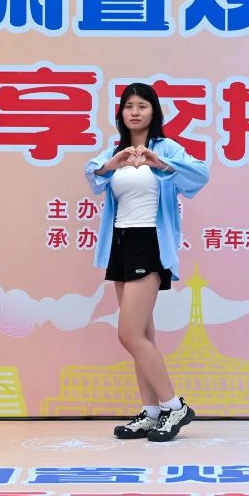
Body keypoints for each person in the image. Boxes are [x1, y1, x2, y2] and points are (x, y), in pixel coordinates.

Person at [85, 83, 209, 442]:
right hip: (120, 243)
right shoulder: (114, 151)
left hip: (149, 242)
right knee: (143, 334)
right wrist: (114, 163)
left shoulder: (167, 148)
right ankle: (151, 412)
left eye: (142, 105)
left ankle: (174, 406)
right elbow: (93, 175)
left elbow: (199, 175)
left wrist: (160, 163)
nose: (135, 112)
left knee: (128, 334)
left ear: (154, 111)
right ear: (121, 113)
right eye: (129, 106)